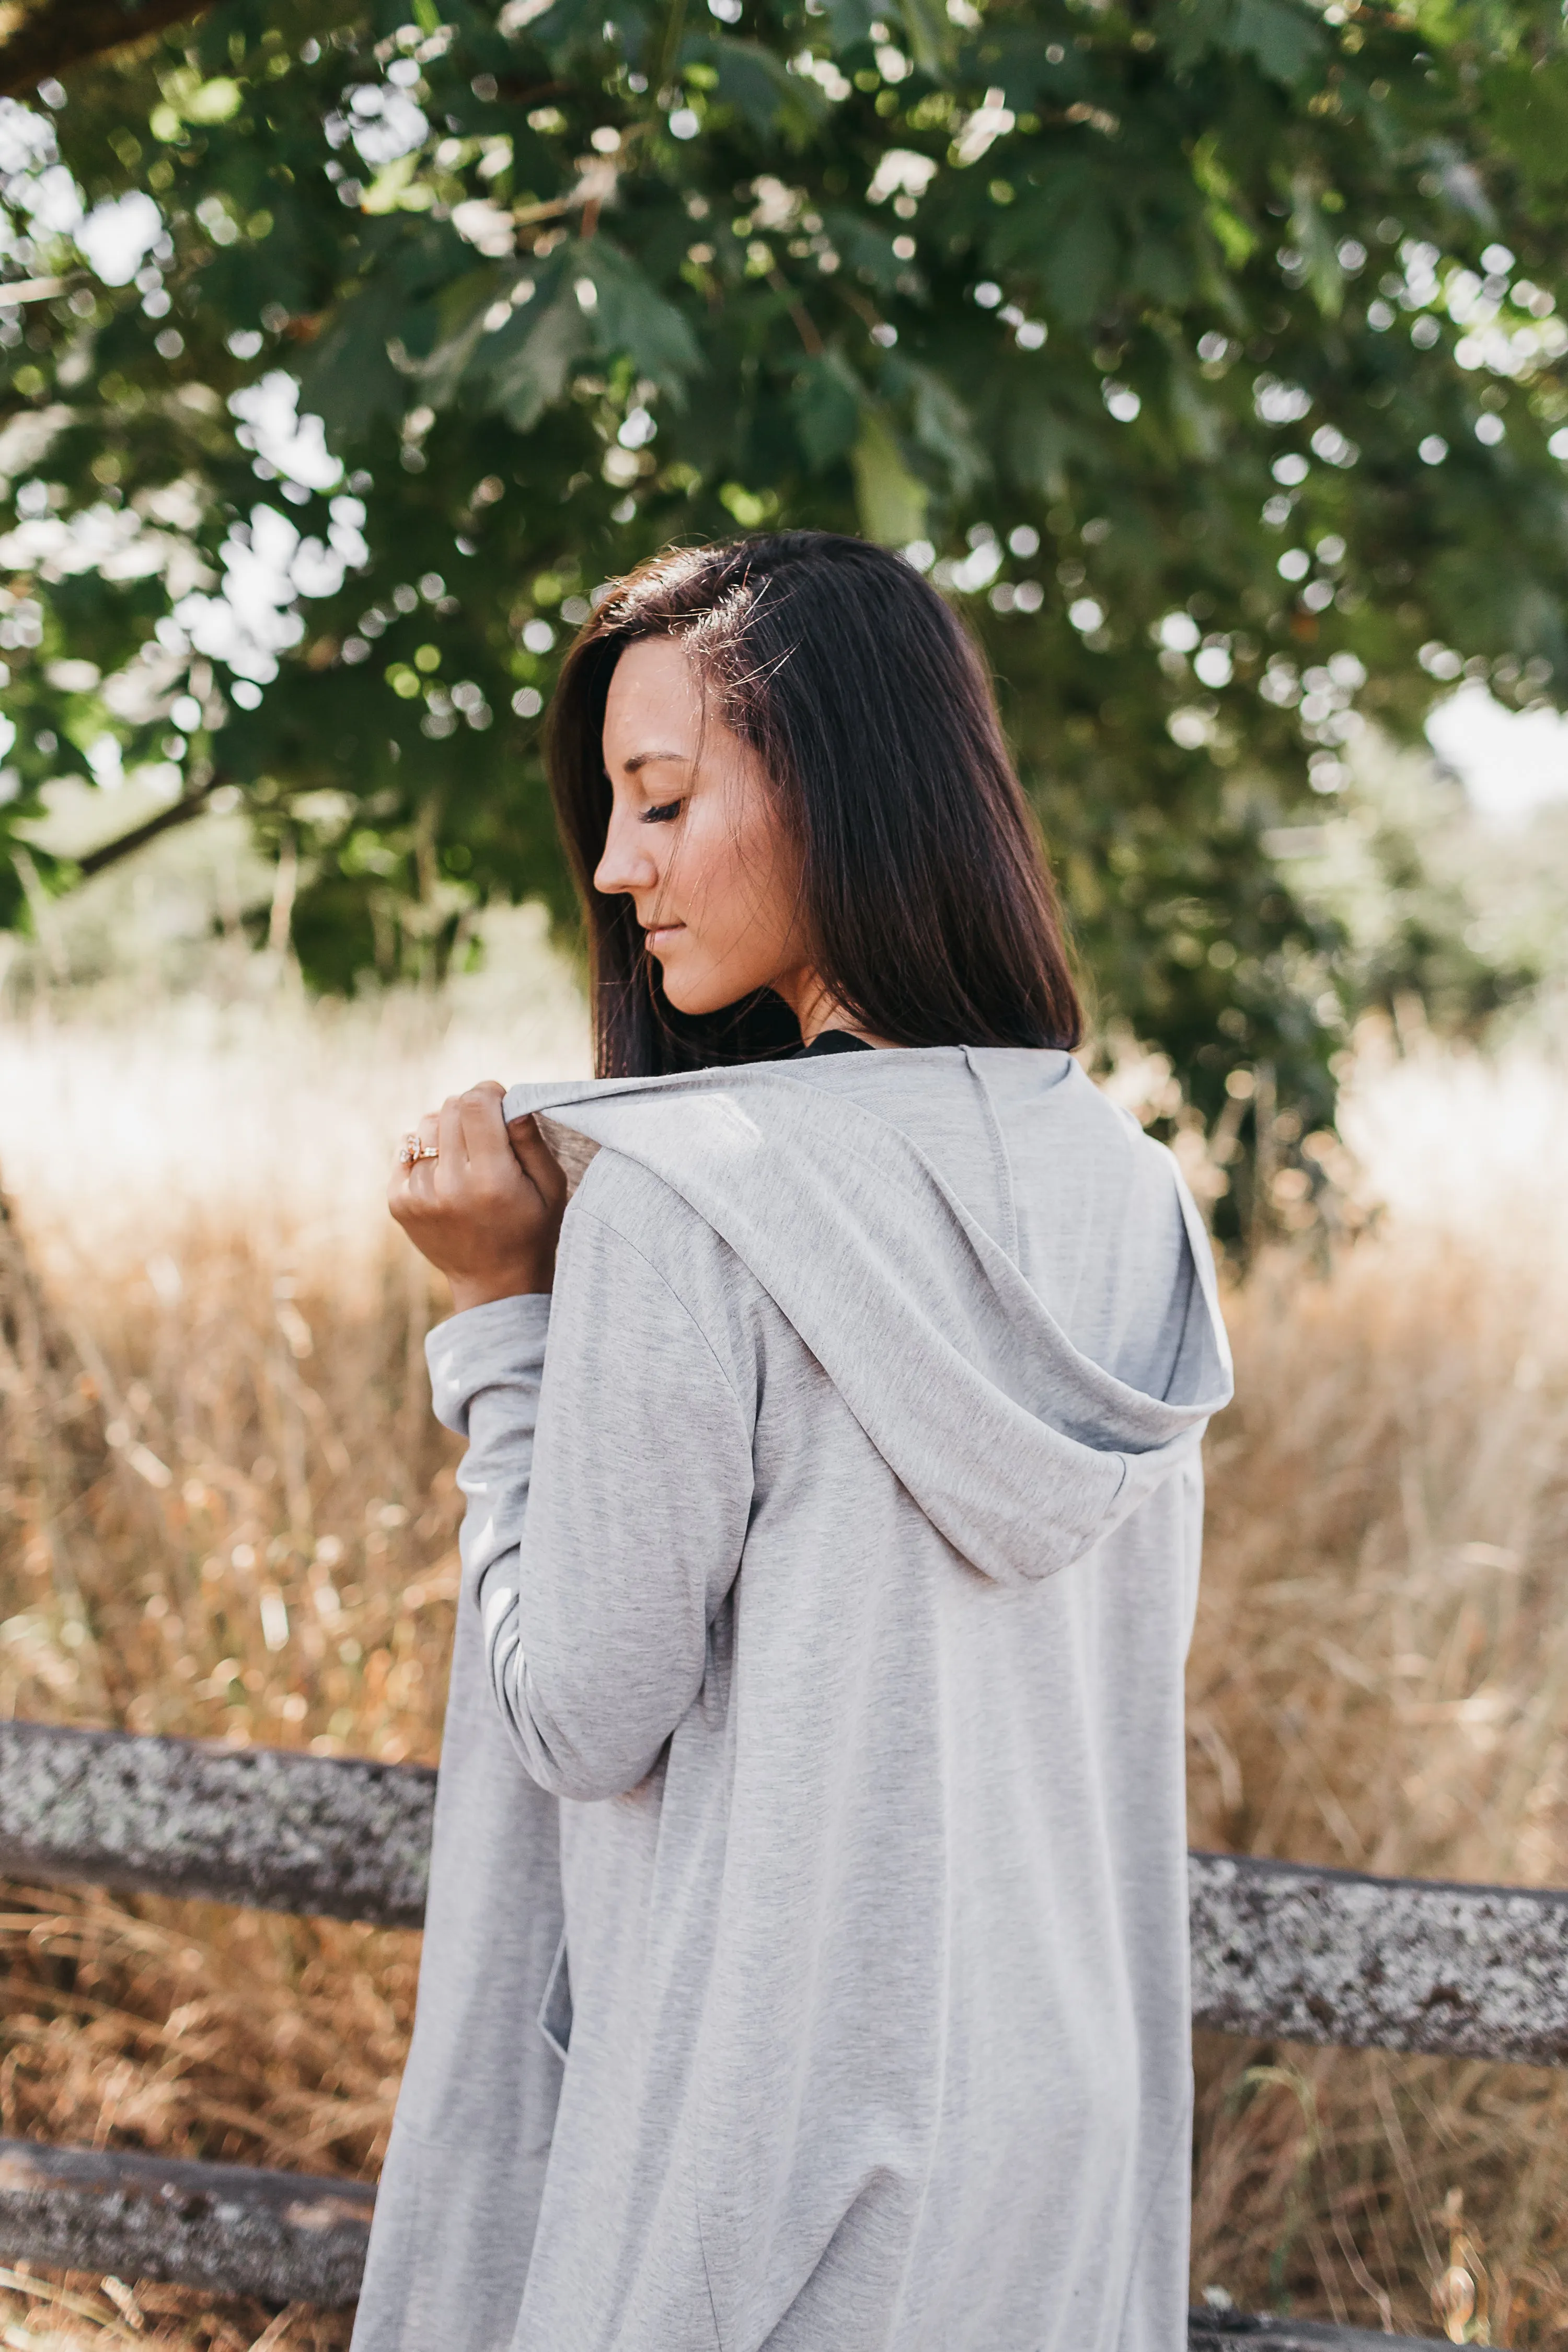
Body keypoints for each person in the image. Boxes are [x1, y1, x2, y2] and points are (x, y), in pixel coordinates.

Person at [359, 531, 1232, 2352]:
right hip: (1052, 2154)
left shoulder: (695, 1206)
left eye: (661, 799)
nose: (615, 866)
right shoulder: (1136, 1194)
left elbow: (580, 1714)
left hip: (763, 2185)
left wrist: (501, 1325)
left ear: (843, 789)